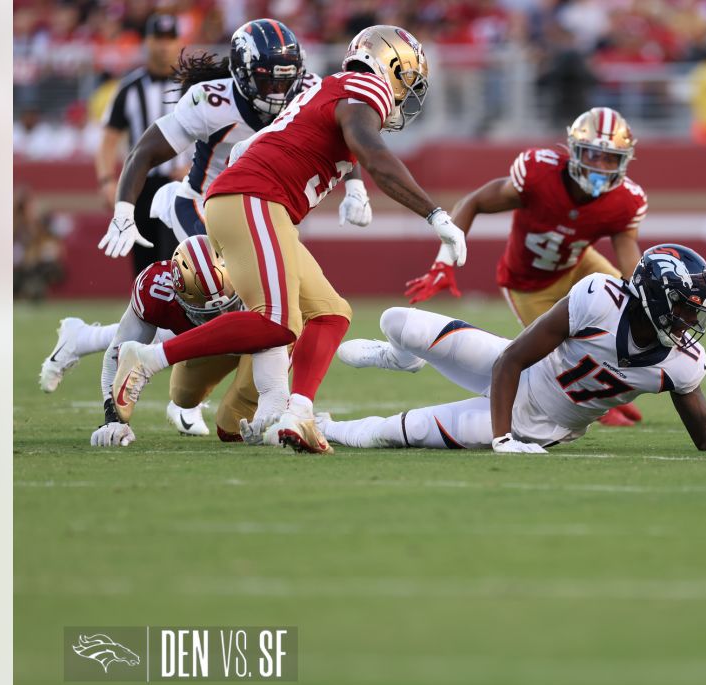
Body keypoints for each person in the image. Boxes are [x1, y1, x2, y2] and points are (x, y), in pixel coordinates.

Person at [110, 25, 468, 455]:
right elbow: (373, 154)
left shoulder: (332, 90)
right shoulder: (363, 86)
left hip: (259, 201)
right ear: (385, 65)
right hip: (254, 198)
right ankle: (147, 359)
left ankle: (297, 413)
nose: (407, 94)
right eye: (407, 79)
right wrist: (435, 213)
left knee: (331, 313)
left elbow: (260, 144)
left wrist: (351, 189)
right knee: (277, 321)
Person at [324, 245, 706, 456]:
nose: (689, 326)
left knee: (395, 432)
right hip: (517, 374)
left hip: (539, 424)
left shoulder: (680, 363)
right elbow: (512, 359)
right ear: (653, 297)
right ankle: (405, 358)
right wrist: (500, 442)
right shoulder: (599, 298)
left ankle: (323, 427)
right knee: (396, 321)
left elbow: (705, 435)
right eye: (683, 311)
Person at [405, 107, 648, 427]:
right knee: (556, 357)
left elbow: (629, 258)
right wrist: (444, 261)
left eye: (610, 158)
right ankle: (595, 404)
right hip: (528, 284)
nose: (600, 166)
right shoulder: (538, 173)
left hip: (579, 266)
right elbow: (474, 201)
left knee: (629, 310)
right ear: (575, 150)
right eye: (592, 154)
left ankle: (618, 386)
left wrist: (647, 297)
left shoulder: (625, 200)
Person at [99, 19, 374, 260]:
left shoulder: (310, 91)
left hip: (262, 212)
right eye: (269, 82)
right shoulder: (212, 102)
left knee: (284, 296)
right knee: (218, 285)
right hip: (203, 205)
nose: (279, 93)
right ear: (242, 73)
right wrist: (124, 211)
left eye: (286, 81)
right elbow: (143, 152)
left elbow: (343, 134)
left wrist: (356, 188)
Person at [83, 235, 274, 447]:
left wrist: (273, 404)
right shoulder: (156, 291)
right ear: (179, 296)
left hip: (264, 343)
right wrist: (114, 420)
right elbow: (118, 352)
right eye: (209, 315)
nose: (222, 320)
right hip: (212, 347)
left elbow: (286, 331)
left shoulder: (257, 275)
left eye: (229, 308)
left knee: (231, 424)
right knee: (183, 396)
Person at [95, 13, 189, 276]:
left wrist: (195, 168)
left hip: (182, 186)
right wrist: (106, 181)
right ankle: (147, 315)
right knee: (144, 267)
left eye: (169, 40)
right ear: (147, 42)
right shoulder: (129, 88)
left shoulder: (194, 86)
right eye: (158, 39)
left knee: (179, 264)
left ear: (179, 42)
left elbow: (214, 135)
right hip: (142, 186)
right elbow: (108, 140)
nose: (164, 46)